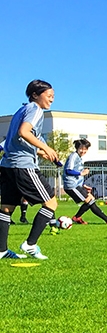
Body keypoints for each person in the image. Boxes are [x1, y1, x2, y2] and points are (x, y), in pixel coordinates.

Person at [0, 80, 60, 260]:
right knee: (51, 203)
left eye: (53, 97)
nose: (52, 99)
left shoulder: (21, 110)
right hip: (23, 166)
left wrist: (40, 151)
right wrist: (46, 148)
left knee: (6, 208)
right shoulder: (36, 110)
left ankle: (1, 250)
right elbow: (24, 132)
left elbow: (20, 139)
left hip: (8, 165)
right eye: (49, 96)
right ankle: (30, 244)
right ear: (35, 95)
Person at [62, 139, 107, 225]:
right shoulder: (73, 156)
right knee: (90, 201)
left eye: (85, 149)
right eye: (81, 148)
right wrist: (81, 173)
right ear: (77, 148)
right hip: (72, 186)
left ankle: (77, 217)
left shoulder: (79, 157)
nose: (83, 151)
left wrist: (83, 185)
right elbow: (68, 171)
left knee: (91, 199)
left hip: (76, 185)